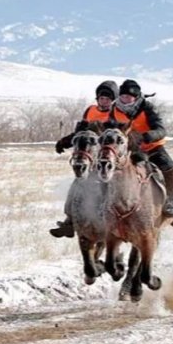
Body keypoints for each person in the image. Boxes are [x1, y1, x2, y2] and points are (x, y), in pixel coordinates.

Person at [49, 80, 118, 238]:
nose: (104, 101)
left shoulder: (117, 114)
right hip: (91, 157)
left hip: (109, 159)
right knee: (78, 184)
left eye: (108, 99)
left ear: (113, 100)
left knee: (110, 187)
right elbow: (80, 132)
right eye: (101, 98)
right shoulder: (90, 111)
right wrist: (65, 141)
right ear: (97, 99)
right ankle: (70, 220)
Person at [110, 79, 173, 217]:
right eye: (122, 96)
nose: (124, 99)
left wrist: (148, 136)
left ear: (136, 97)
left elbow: (161, 129)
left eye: (128, 97)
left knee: (169, 167)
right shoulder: (114, 109)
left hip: (152, 146)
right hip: (129, 149)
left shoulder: (147, 108)